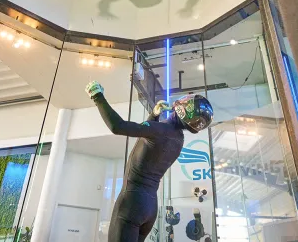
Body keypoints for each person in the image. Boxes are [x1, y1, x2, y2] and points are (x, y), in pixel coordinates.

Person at [85, 81, 214, 242]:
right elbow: (147, 142)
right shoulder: (177, 140)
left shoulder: (160, 131)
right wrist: (154, 115)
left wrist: (97, 96)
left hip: (132, 201)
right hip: (149, 205)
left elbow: (117, 126)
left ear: (184, 107)